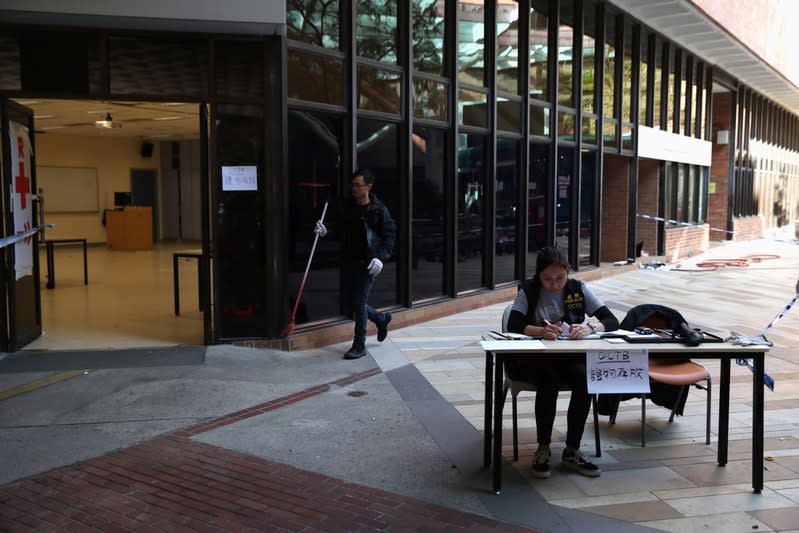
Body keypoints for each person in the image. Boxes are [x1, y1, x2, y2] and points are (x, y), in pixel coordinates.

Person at [505, 246, 619, 479]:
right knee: (549, 380)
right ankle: (543, 448)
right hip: (536, 358)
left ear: (568, 272)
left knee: (585, 378)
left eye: (560, 278)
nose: (554, 284)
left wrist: (589, 327)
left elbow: (611, 320)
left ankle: (572, 450)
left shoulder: (578, 289)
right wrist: (539, 331)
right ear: (539, 275)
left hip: (569, 356)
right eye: (547, 279)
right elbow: (513, 324)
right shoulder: (528, 290)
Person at [315, 169, 396, 359]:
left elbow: (389, 237)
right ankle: (381, 318)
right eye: (352, 185)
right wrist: (326, 232)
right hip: (349, 260)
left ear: (369, 187)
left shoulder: (378, 210)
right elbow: (340, 231)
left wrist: (380, 257)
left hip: (368, 263)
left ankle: (359, 345)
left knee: (359, 301)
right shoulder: (347, 207)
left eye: (357, 185)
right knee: (354, 301)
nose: (353, 188)